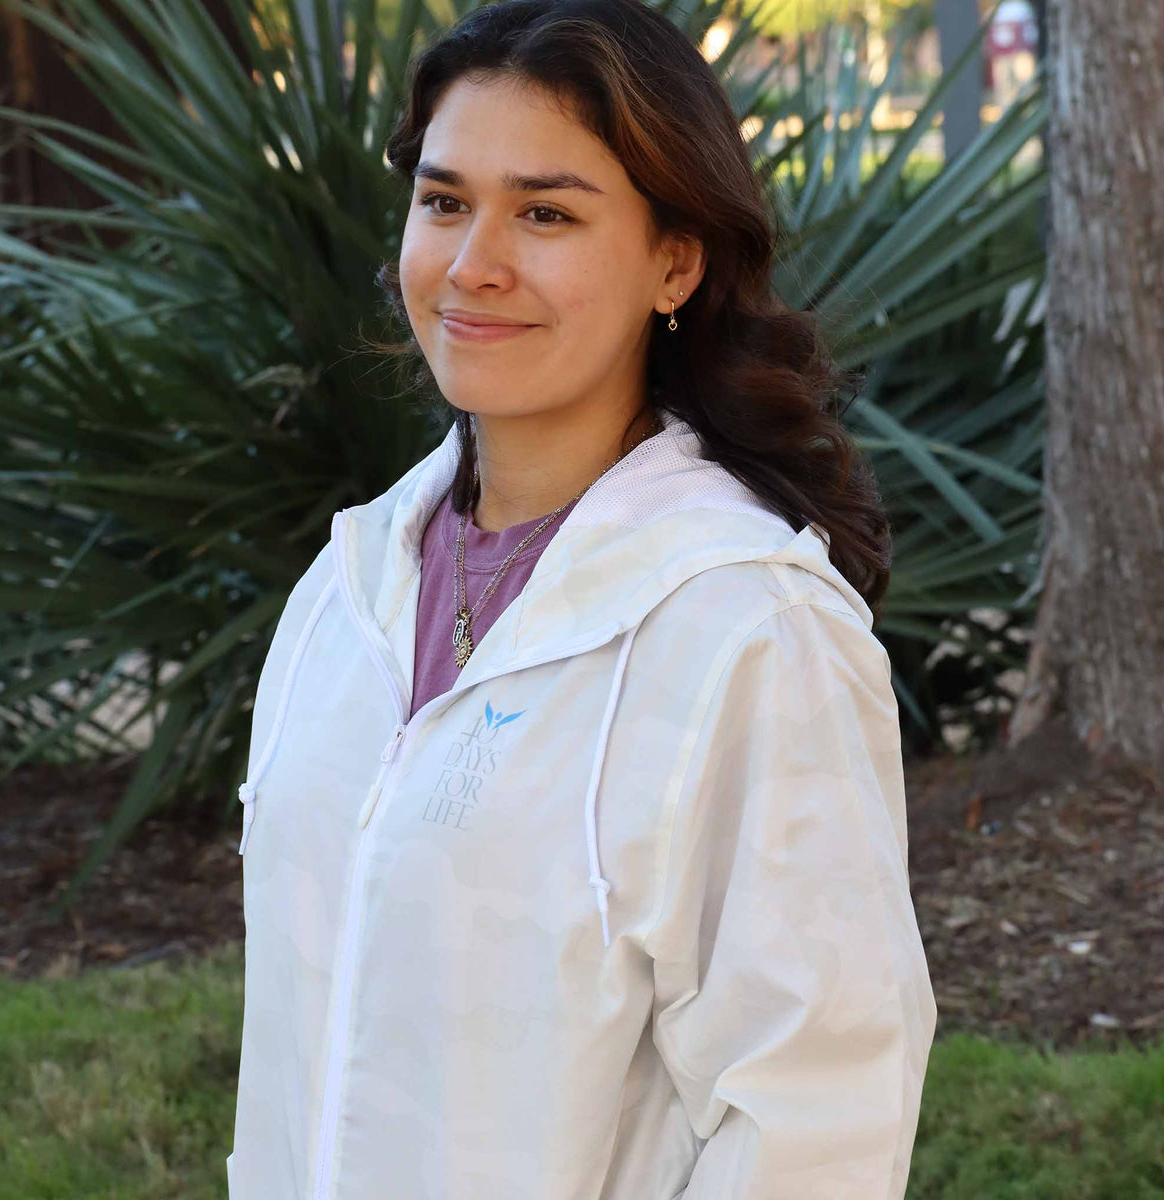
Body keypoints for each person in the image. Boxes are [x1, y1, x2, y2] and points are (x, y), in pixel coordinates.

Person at [225, 0, 937, 1196]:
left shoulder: (750, 631)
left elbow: (818, 1114)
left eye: (545, 212)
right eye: (445, 201)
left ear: (676, 259)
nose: (472, 263)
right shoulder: (346, 591)